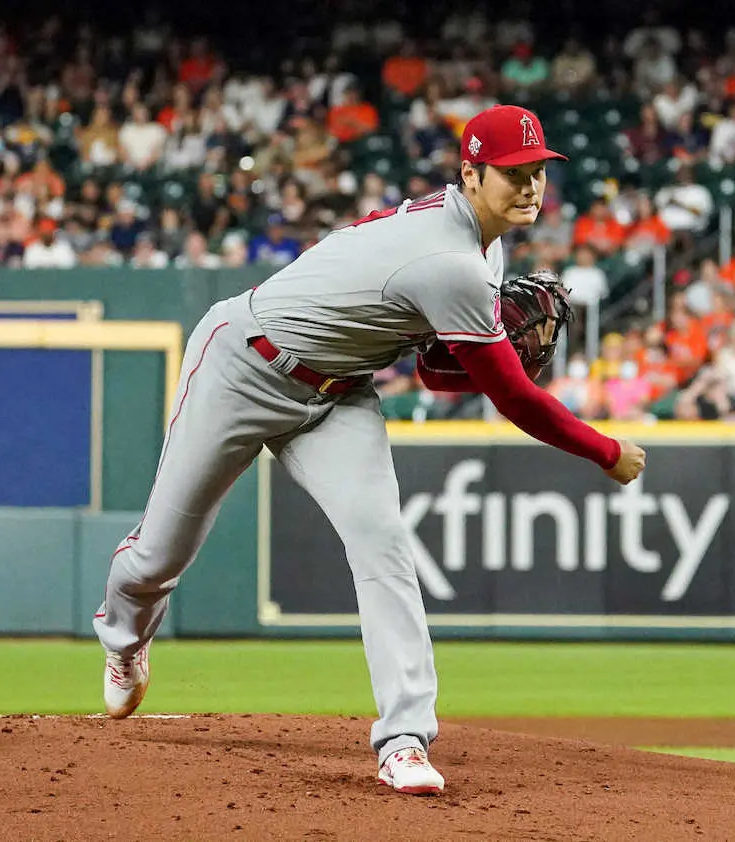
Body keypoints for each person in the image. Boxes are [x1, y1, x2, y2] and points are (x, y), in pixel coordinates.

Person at [93, 105, 645, 796]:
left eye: (537, 171)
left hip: (337, 393)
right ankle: (123, 641)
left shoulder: (482, 244)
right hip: (242, 363)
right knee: (160, 555)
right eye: (512, 174)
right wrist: (605, 449)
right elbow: (513, 399)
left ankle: (405, 739)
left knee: (382, 540)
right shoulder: (449, 260)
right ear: (470, 175)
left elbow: (427, 369)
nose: (530, 187)